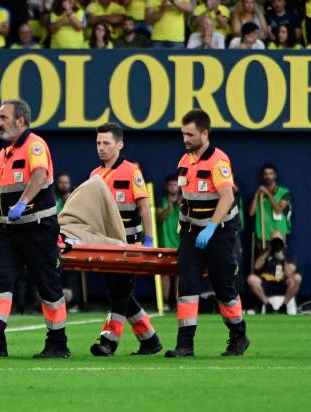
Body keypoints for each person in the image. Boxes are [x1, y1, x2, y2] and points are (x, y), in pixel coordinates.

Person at [0, 99, 71, 359]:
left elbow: (39, 174)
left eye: (3, 117)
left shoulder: (34, 145)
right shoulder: (3, 154)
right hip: (8, 232)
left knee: (48, 286)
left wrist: (22, 204)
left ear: (20, 121)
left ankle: (58, 343)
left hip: (38, 228)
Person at [166, 109, 249, 358]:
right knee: (188, 287)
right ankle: (185, 344)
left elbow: (227, 197)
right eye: (183, 134)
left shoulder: (218, 161)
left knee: (224, 287)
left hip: (220, 232)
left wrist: (212, 227)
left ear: (205, 133)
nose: (185, 139)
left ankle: (238, 336)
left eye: (190, 135)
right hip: (192, 232)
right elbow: (186, 197)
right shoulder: (184, 162)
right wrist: (183, 223)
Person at [88, 122, 162, 357]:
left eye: (106, 143)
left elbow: (144, 206)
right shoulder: (95, 175)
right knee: (119, 293)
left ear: (119, 145)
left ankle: (108, 341)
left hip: (130, 245)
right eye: (98, 143)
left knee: (119, 292)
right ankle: (149, 339)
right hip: (107, 244)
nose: (101, 147)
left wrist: (148, 240)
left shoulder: (131, 172)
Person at [247, 232, 301, 314]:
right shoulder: (265, 251)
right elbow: (256, 267)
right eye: (274, 240)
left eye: (278, 240)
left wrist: (282, 259)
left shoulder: (288, 254)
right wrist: (268, 252)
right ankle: (267, 305)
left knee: (297, 278)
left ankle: (284, 305)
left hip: (283, 284)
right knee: (251, 279)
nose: (276, 243)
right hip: (266, 284)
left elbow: (290, 274)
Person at [249, 163, 292, 254]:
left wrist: (268, 194)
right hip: (263, 236)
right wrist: (256, 195)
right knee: (263, 266)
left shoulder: (284, 193)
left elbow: (278, 210)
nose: (268, 176)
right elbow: (251, 213)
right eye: (265, 174)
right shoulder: (260, 194)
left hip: (278, 235)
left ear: (275, 175)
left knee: (279, 265)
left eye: (270, 173)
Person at [157, 174, 180, 311]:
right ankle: (165, 302)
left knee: (180, 273)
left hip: (180, 242)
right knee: (165, 273)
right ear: (166, 186)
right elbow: (158, 218)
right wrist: (168, 209)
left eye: (175, 184)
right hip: (165, 241)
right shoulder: (162, 201)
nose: (173, 187)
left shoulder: (185, 200)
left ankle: (178, 302)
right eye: (170, 185)